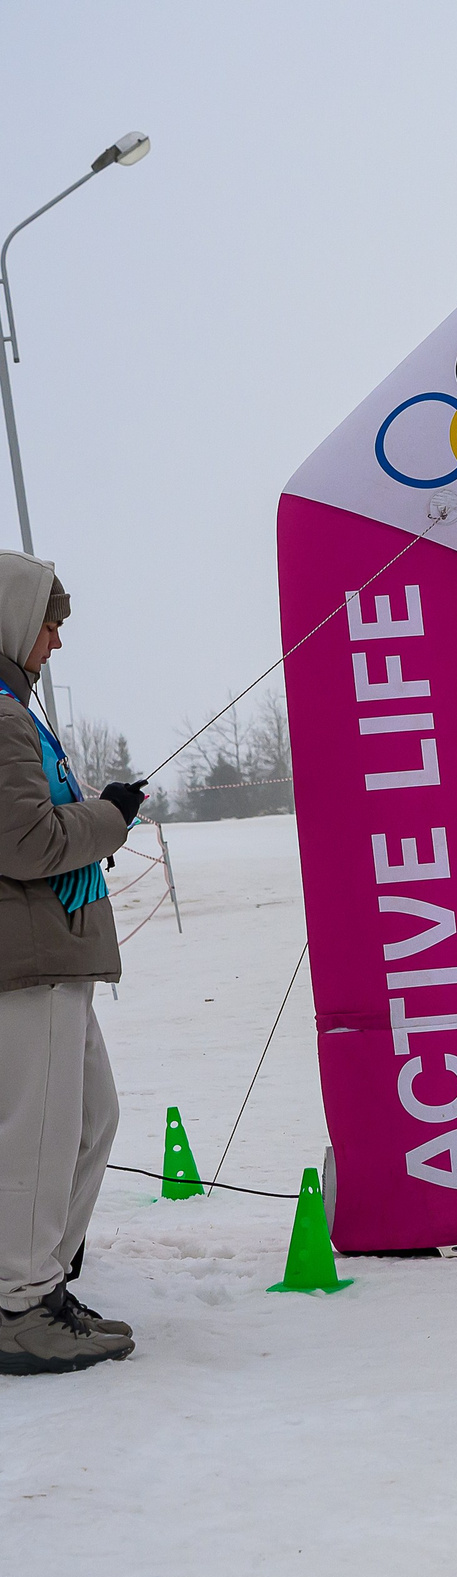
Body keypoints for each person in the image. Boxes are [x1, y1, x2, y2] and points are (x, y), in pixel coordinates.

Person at [0, 550, 148, 1374]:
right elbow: (24, 839)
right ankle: (17, 1303)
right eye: (49, 621)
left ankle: (41, 1282)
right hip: (26, 964)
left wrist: (92, 822)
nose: (56, 639)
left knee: (90, 1122)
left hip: (53, 956)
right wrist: (110, 818)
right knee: (38, 1138)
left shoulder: (17, 712)